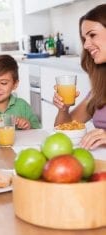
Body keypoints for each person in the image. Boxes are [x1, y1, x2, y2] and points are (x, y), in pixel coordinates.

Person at [53, 4, 106, 150]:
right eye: (84, 39)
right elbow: (63, 130)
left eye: (92, 35)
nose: (87, 45)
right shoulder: (100, 89)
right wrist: (63, 109)